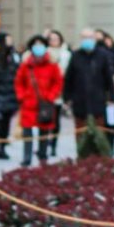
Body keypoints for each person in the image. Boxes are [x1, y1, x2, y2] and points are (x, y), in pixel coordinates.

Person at [14, 35, 63, 165]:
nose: (38, 47)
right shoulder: (26, 65)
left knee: (44, 131)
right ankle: (27, 157)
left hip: (45, 103)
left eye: (41, 44)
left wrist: (51, 96)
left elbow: (58, 82)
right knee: (27, 132)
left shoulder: (52, 65)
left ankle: (43, 155)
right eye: (35, 45)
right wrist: (22, 96)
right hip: (28, 103)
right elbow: (19, 82)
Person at [63, 29, 114, 150]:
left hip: (98, 103)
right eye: (84, 37)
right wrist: (67, 98)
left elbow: (109, 79)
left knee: (99, 135)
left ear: (94, 39)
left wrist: (112, 98)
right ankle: (82, 158)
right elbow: (68, 79)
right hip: (80, 104)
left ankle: (99, 158)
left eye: (90, 37)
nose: (87, 40)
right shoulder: (75, 56)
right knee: (81, 134)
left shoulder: (103, 55)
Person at [43, 29, 70, 157]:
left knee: (56, 120)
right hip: (44, 92)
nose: (54, 41)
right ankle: (43, 144)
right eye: (51, 39)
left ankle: (53, 145)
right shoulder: (44, 53)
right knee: (44, 119)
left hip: (59, 92)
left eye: (56, 39)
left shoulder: (66, 54)